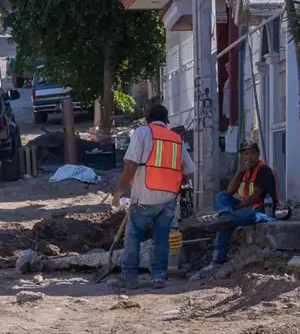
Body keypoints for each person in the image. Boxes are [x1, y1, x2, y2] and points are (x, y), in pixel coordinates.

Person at [111, 103, 196, 288]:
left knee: (133, 236)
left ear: (147, 119)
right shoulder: (176, 139)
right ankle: (158, 277)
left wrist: (119, 192)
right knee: (161, 238)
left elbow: (131, 164)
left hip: (144, 195)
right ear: (166, 120)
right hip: (169, 199)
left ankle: (129, 278)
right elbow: (188, 170)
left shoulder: (142, 133)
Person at [208, 140, 278, 268]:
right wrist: (239, 172)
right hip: (247, 208)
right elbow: (230, 192)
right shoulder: (245, 171)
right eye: (245, 154)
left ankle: (218, 259)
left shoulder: (263, 169)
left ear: (258, 154)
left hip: (261, 210)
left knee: (227, 223)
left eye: (252, 153)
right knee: (222, 197)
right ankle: (225, 215)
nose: (249, 157)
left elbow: (256, 195)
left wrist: (237, 208)